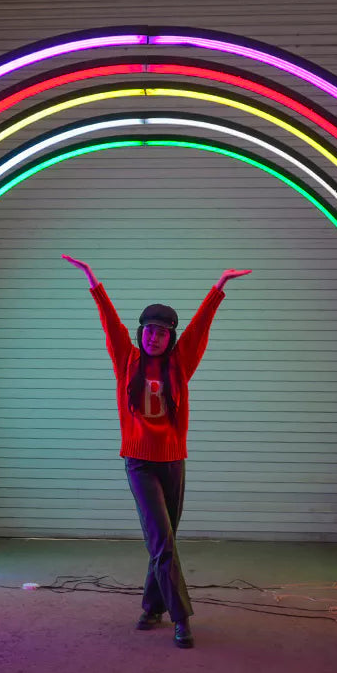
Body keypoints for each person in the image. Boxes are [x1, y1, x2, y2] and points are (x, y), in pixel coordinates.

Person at [62, 254, 251, 648]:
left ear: (170, 338)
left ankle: (151, 607)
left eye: (162, 333)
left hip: (173, 462)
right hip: (139, 462)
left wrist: (219, 287)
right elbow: (110, 323)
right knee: (162, 540)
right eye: (149, 331)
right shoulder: (126, 360)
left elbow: (199, 330)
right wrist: (93, 280)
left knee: (163, 540)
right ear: (141, 332)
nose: (154, 337)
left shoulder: (181, 364)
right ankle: (181, 618)